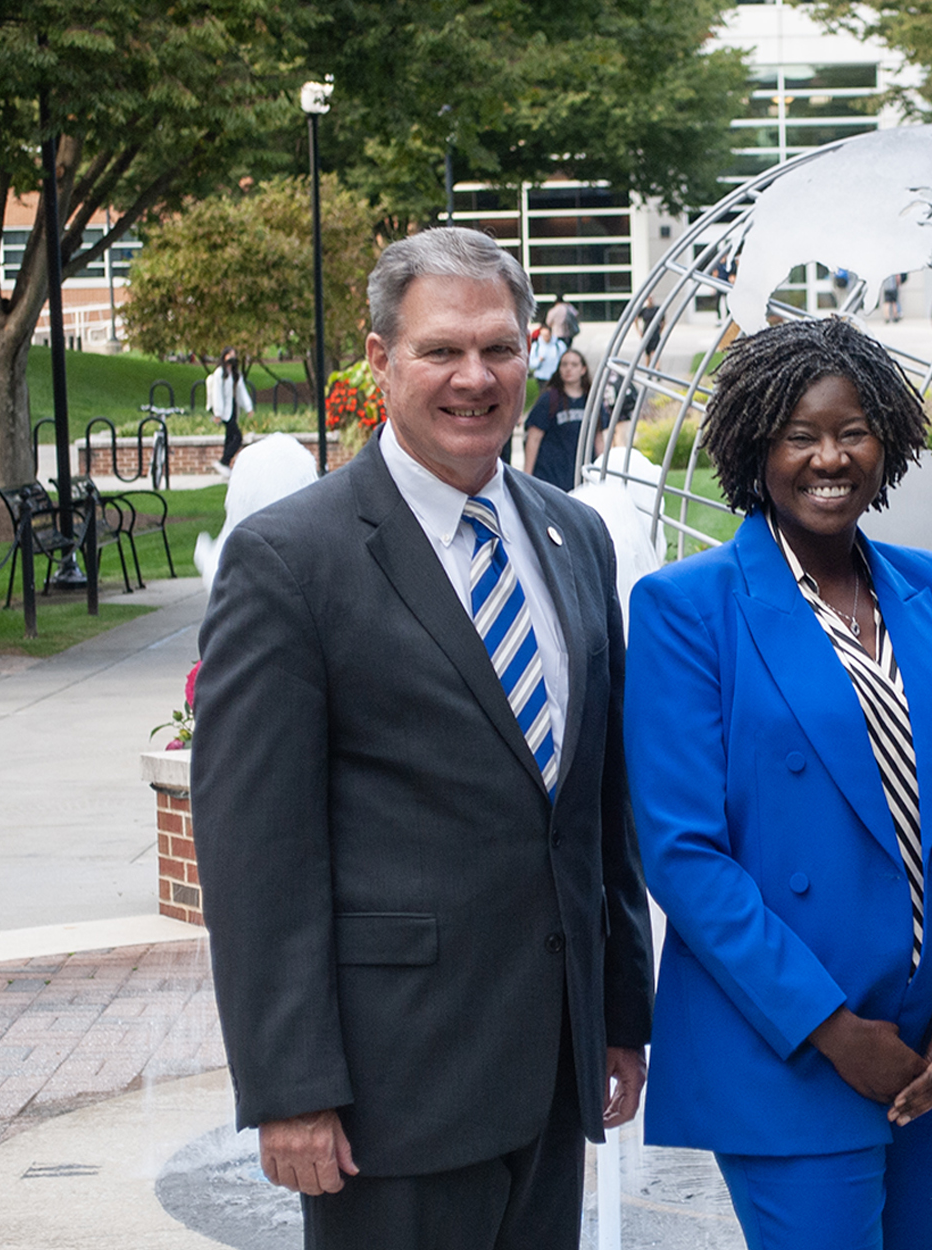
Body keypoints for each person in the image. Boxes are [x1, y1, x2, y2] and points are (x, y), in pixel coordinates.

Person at [190, 227, 653, 1250]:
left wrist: (621, 1012)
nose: (474, 377)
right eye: (441, 349)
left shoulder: (576, 536)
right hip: (386, 1096)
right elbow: (256, 850)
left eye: (499, 347)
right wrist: (291, 1085)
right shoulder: (290, 559)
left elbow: (596, 804)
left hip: (550, 1071)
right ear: (379, 359)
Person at [624, 316, 932, 1250]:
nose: (829, 457)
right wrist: (828, 1027)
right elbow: (683, 854)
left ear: (885, 441)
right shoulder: (685, 608)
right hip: (794, 1046)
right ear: (752, 447)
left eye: (851, 430)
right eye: (798, 435)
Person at [523, 348, 591, 491]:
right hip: (551, 478)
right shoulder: (549, 399)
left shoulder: (591, 401)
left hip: (582, 478)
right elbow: (533, 438)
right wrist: (527, 477)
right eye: (564, 364)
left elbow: (599, 438)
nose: (568, 369)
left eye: (574, 365)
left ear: (583, 369)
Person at [206, 346, 253, 475]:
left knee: (229, 437)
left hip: (233, 408)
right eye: (230, 355)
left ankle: (225, 466)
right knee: (237, 437)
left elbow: (241, 390)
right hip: (224, 410)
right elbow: (217, 394)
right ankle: (224, 462)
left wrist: (248, 407)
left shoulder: (235, 373)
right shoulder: (220, 373)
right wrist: (218, 413)